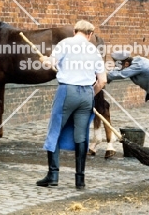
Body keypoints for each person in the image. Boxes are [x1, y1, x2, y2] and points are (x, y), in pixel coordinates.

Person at [36, 20, 107, 189]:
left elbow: (50, 64)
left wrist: (44, 59)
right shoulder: (94, 50)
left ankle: (53, 176)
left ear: (75, 31)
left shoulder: (65, 43)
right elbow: (102, 80)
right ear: (90, 35)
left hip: (67, 92)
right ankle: (80, 180)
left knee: (55, 130)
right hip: (87, 94)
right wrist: (91, 94)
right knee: (81, 136)